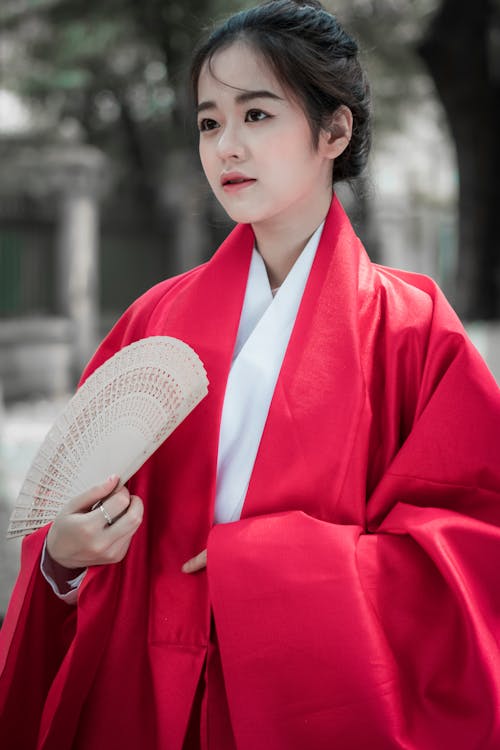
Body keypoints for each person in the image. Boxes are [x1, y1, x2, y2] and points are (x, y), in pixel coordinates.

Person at [1, 1, 499, 748]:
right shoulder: (154, 319)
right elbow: (65, 521)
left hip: (306, 701)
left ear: (335, 131)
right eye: (208, 122)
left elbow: (470, 554)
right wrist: (63, 561)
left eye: (256, 115)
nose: (226, 146)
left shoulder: (413, 329)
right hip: (144, 687)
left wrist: (270, 569)